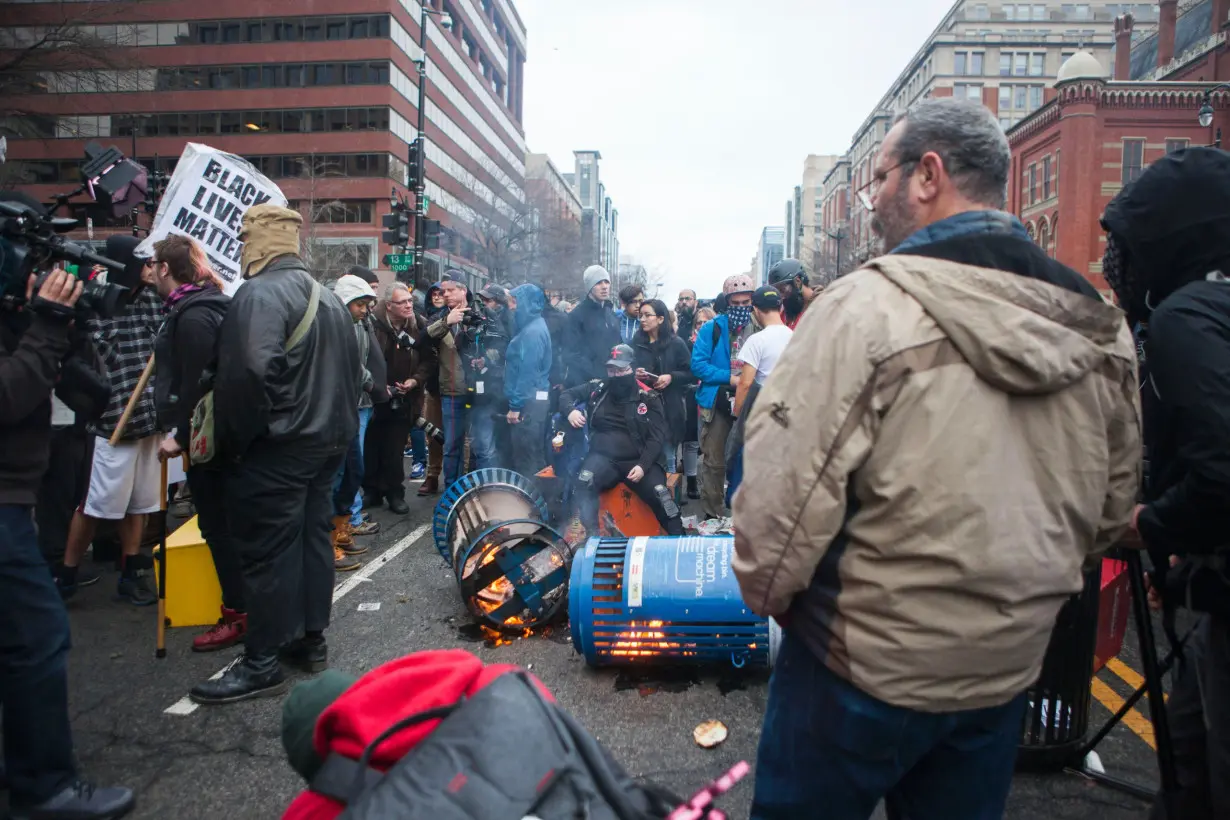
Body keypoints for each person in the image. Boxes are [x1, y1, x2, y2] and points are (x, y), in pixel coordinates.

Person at [733, 97, 1141, 820]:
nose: (872, 202)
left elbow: (781, 501)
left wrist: (774, 602)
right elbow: (1109, 511)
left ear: (928, 176)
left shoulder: (863, 306)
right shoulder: (1098, 324)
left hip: (858, 664)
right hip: (1003, 669)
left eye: (880, 179)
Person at [1099, 147, 1230, 820]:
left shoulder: (1185, 318)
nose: (1114, 265)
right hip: (1207, 583)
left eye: (1123, 243)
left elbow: (1221, 473)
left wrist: (1151, 524)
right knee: (1187, 765)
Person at [191, 203, 359, 705]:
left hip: (280, 444)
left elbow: (244, 378)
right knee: (310, 541)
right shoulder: (328, 298)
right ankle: (310, 640)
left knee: (266, 552)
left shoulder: (259, 294)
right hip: (326, 441)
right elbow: (354, 376)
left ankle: (262, 661)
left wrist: (238, 445)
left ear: (257, 242)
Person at [1, 265, 137, 819]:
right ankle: (45, 787)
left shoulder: (24, 322)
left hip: (19, 493)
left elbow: (91, 392)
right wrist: (47, 323)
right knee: (37, 637)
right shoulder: (35, 326)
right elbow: (9, 395)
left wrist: (61, 328)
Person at [146, 235, 246, 652]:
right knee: (229, 527)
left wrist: (181, 437)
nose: (148, 272)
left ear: (166, 269)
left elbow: (203, 386)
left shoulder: (194, 316)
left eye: (153, 265)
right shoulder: (198, 308)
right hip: (220, 438)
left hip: (212, 443)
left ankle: (239, 615)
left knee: (220, 528)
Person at [58, 235, 165, 605]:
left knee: (140, 503)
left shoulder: (155, 300)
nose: (152, 269)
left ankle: (131, 571)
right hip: (112, 423)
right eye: (145, 263)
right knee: (95, 504)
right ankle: (67, 573)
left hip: (149, 420)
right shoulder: (96, 301)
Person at [560, 344, 683, 537]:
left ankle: (680, 542)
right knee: (583, 484)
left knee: (663, 498)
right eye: (612, 370)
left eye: (621, 369)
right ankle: (593, 537)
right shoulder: (599, 388)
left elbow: (656, 437)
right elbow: (566, 395)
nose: (616, 375)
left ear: (632, 368)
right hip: (603, 459)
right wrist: (571, 411)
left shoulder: (648, 396)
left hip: (638, 460)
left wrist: (643, 465)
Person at [328, 274, 383, 573]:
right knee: (334, 477)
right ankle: (327, 543)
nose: (364, 310)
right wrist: (369, 381)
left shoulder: (357, 323)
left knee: (353, 471)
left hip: (351, 405)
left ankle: (341, 529)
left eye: (367, 304)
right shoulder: (331, 325)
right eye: (360, 304)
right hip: (333, 410)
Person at [690, 273, 755, 520]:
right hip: (718, 401)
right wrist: (730, 378)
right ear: (727, 302)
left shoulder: (759, 326)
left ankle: (747, 515)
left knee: (750, 459)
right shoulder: (712, 328)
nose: (741, 308)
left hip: (751, 400)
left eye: (745, 303)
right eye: (735, 304)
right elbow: (698, 365)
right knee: (714, 461)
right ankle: (713, 514)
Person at [365, 281, 434, 515]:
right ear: (388, 305)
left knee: (394, 449)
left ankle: (395, 493)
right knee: (371, 446)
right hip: (373, 396)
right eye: (402, 302)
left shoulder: (419, 325)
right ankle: (371, 491)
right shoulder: (371, 324)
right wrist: (375, 385)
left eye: (410, 301)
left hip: (405, 399)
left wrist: (415, 380)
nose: (408, 306)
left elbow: (429, 360)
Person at [726, 285, 790, 504]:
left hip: (761, 410)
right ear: (779, 307)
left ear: (756, 310)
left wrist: (737, 415)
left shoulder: (757, 340)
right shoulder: (796, 336)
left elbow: (745, 383)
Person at [426, 273, 480, 489]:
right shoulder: (438, 318)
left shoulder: (481, 313)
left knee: (479, 445)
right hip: (451, 391)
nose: (445, 294)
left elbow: (500, 346)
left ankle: (474, 489)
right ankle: (452, 491)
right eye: (442, 291)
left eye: (449, 290)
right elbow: (423, 341)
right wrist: (446, 323)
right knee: (452, 445)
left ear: (463, 290)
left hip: (479, 393)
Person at [632, 299, 691, 476]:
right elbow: (624, 370)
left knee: (668, 457)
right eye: (640, 315)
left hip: (669, 409)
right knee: (644, 457)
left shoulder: (676, 343)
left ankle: (671, 499)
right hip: (642, 409)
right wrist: (635, 373)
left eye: (647, 315)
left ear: (660, 319)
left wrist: (671, 377)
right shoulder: (635, 344)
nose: (642, 319)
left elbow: (691, 372)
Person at [503, 283, 553, 483]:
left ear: (527, 304)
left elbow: (528, 372)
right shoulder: (533, 327)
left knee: (527, 460)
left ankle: (533, 506)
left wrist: (516, 406)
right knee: (531, 456)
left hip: (528, 405)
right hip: (533, 403)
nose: (511, 307)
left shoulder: (532, 332)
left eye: (515, 302)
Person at [563, 265, 621, 387]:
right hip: (586, 383)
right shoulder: (577, 315)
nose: (604, 286)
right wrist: (596, 373)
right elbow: (570, 353)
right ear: (589, 287)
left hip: (612, 382)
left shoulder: (611, 314)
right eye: (599, 283)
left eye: (606, 282)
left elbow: (619, 346)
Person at [417, 282, 448, 496]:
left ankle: (457, 478)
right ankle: (432, 475)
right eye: (433, 294)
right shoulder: (426, 320)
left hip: (455, 386)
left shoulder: (455, 317)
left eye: (441, 294)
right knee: (433, 433)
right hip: (433, 385)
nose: (437, 297)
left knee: (459, 437)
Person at [766, 258, 817, 330]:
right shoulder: (784, 315)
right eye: (777, 293)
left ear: (798, 282)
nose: (781, 297)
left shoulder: (822, 308)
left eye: (782, 290)